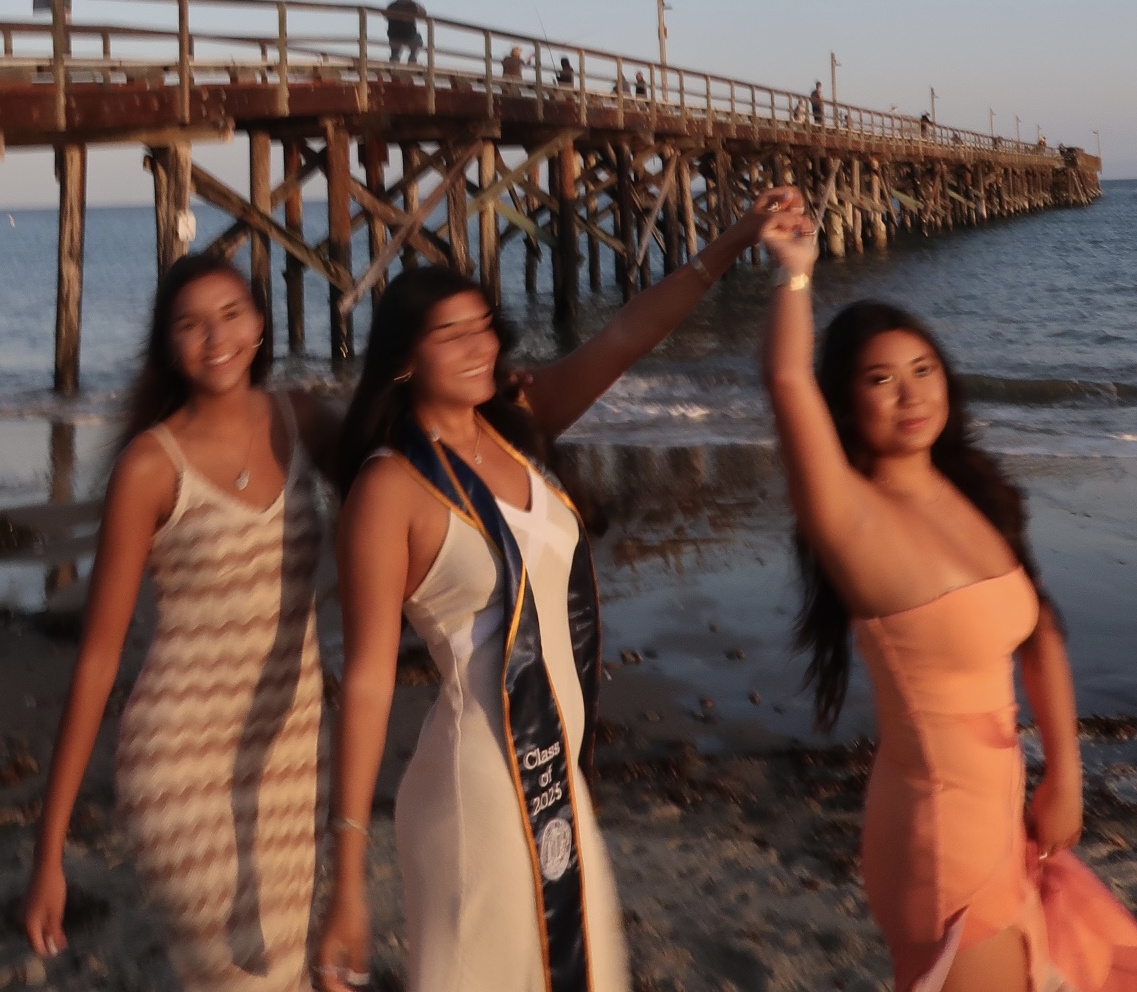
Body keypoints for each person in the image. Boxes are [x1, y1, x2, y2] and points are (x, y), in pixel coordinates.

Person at [313, 188, 798, 992]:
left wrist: (738, 237)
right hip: (476, 780)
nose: (479, 346)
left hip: (555, 771)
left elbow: (628, 335)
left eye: (484, 327)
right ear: (402, 359)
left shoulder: (519, 419)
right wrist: (348, 877)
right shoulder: (390, 488)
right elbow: (365, 681)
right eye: (451, 334)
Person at [758, 207, 1137, 992]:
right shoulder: (853, 519)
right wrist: (796, 272)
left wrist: (1064, 773)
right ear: (845, 405)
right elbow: (786, 381)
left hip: (1006, 816)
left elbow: (1042, 636)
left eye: (924, 369)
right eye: (879, 379)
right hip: (938, 835)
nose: (910, 393)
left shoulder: (974, 496)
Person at [22, 254, 340, 989]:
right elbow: (99, 659)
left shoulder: (306, 419)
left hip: (291, 754)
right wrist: (48, 852)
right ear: (169, 344)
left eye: (231, 314)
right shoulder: (150, 465)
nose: (215, 336)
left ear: (261, 324)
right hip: (182, 764)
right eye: (191, 324)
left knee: (287, 970)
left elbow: (406, 473)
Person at [386, 0, 425, 64]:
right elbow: (423, 13)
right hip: (400, 34)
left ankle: (403, 59)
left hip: (401, 34)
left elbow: (423, 13)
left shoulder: (394, 5)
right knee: (417, 39)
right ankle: (407, 59)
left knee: (416, 39)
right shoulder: (411, 5)